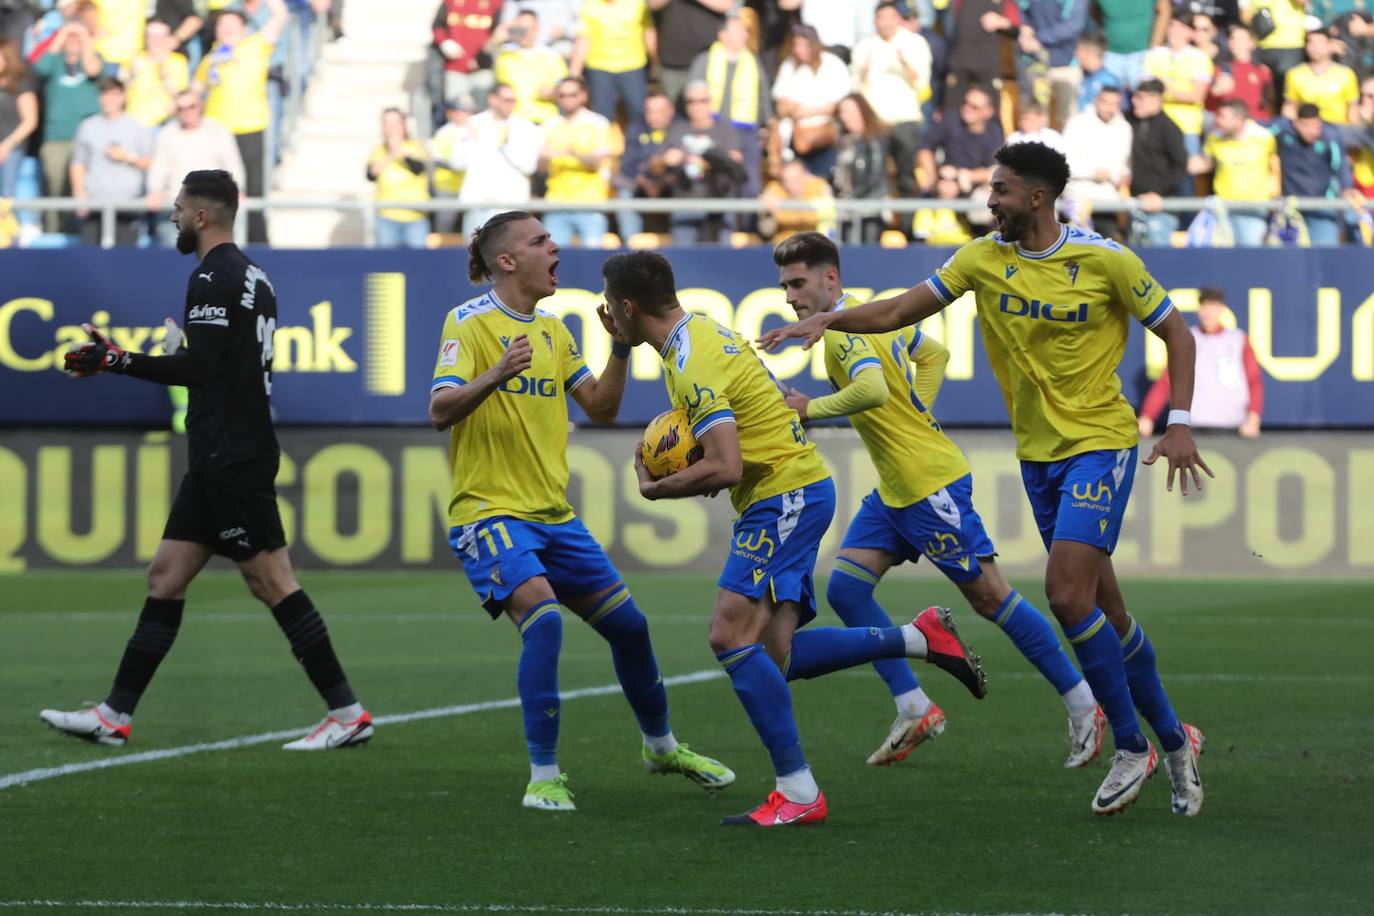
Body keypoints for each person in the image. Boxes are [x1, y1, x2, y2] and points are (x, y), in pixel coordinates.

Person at [760, 141, 1210, 819]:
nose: (989, 200)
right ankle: (1175, 740)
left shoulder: (1106, 261)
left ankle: (1128, 744)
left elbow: (1178, 332)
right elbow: (902, 312)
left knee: (1061, 594)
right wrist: (829, 320)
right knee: (1107, 614)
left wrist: (1178, 420)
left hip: (1101, 442)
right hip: (1038, 454)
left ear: (1036, 196)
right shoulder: (979, 259)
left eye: (1000, 190)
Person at [603, 249, 987, 828]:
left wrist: (660, 489)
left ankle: (798, 790)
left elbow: (726, 465)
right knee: (775, 656)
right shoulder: (700, 332)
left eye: (610, 306)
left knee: (728, 635)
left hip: (783, 495)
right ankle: (917, 637)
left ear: (627, 307)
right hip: (792, 489)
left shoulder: (691, 360)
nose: (608, 314)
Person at [43, 169, 373, 752]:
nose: (171, 216)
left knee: (272, 581)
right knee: (166, 576)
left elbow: (201, 373)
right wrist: (182, 353)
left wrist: (114, 361)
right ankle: (114, 715)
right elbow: (222, 364)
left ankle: (346, 712)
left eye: (177, 207)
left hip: (230, 452)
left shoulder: (210, 277)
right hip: (223, 448)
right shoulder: (255, 276)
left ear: (200, 215)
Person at [429, 211, 733, 811]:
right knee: (543, 621)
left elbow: (600, 407)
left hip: (553, 515)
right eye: (540, 240)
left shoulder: (554, 331)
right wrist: (496, 372)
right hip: (488, 512)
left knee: (630, 627)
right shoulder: (467, 324)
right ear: (508, 260)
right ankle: (543, 775)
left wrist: (620, 347)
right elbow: (441, 409)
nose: (555, 247)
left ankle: (661, 746)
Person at [773, 231, 1103, 770]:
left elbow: (872, 390)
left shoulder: (840, 335)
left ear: (830, 278)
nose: (790, 296)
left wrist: (809, 409)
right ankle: (913, 706)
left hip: (928, 486)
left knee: (991, 598)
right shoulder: (869, 315)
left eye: (798, 282)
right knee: (849, 590)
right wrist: (918, 413)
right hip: (897, 488)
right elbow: (936, 353)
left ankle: (1084, 704)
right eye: (785, 285)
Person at [193, 0, 288, 244]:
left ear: (244, 28)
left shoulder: (254, 45)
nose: (226, 29)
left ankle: (259, 244)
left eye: (232, 24)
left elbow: (279, 17)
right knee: (216, 196)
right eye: (222, 24)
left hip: (249, 127)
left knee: (253, 192)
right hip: (216, 133)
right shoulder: (211, 58)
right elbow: (195, 91)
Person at [1139, 287, 1263, 439]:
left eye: (1212, 306)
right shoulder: (1187, 339)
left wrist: (1253, 417)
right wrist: (1147, 416)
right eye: (1203, 306)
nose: (1207, 312)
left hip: (1232, 428)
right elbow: (1167, 380)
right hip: (1193, 428)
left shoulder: (1238, 340)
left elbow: (1253, 380)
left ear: (1221, 309)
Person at [851, 0, 931, 199]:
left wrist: (905, 64)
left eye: (890, 17)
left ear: (898, 19)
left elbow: (922, 84)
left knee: (907, 175)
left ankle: (908, 226)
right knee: (874, 176)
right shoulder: (864, 46)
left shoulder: (915, 42)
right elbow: (855, 87)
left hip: (905, 118)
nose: (885, 23)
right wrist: (864, 70)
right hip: (874, 121)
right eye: (881, 18)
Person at [146, 90, 243, 246]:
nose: (186, 112)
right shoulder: (166, 134)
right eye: (181, 108)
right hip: (179, 207)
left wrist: (237, 189)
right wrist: (154, 189)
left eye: (191, 107)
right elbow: (158, 167)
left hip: (213, 207)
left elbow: (233, 165)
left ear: (201, 106)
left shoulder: (219, 131)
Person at [33, 20, 103, 231]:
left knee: (85, 188)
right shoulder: (54, 63)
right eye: (68, 38)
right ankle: (53, 231)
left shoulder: (93, 59)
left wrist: (83, 36)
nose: (73, 41)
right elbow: (40, 68)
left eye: (77, 38)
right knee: (56, 186)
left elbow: (93, 70)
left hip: (87, 138)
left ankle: (81, 231)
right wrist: (61, 34)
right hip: (57, 136)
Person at [539, 75, 622, 247]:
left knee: (592, 261)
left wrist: (570, 154)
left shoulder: (598, 123)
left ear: (583, 96)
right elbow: (540, 168)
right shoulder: (550, 125)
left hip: (590, 203)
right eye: (562, 95)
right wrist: (544, 157)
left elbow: (597, 163)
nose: (567, 99)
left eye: (572, 94)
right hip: (556, 202)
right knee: (551, 263)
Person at [658, 80, 744, 244]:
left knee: (721, 259)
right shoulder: (677, 129)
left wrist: (706, 162)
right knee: (682, 260)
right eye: (691, 101)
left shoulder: (725, 130)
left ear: (711, 102)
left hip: (719, 203)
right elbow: (657, 164)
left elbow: (735, 161)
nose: (696, 106)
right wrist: (665, 159)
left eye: (702, 101)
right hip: (685, 202)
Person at [70, 77, 153, 245]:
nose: (108, 100)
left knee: (124, 262)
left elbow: (150, 163)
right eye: (104, 94)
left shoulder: (136, 128)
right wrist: (80, 195)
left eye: (113, 95)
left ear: (122, 97)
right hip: (94, 204)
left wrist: (127, 157)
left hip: (127, 205)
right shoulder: (88, 126)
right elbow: (78, 163)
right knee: (90, 261)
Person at [1190, 98, 1280, 246]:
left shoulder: (1263, 137)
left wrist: (1274, 198)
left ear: (1239, 120)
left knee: (1250, 258)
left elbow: (1275, 168)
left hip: (1254, 210)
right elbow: (1205, 164)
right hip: (1223, 210)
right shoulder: (1214, 137)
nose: (1217, 120)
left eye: (1222, 117)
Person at [1271, 103, 1361, 245]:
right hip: (1291, 209)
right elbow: (1255, 130)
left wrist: (1347, 186)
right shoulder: (1282, 130)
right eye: (1307, 126)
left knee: (1326, 254)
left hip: (1323, 207)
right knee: (1291, 260)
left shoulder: (1330, 135)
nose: (1314, 131)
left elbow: (1341, 163)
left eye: (1317, 126)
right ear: (1297, 123)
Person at [459, 82, 539, 236]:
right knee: (476, 258)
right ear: (493, 100)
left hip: (511, 208)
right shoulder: (473, 123)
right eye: (506, 100)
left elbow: (529, 166)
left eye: (513, 100)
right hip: (478, 206)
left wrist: (506, 145)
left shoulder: (525, 127)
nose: (511, 105)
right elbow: (457, 162)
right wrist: (471, 141)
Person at [771, 24, 848, 174]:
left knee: (822, 177)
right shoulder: (789, 66)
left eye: (804, 45)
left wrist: (806, 111)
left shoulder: (832, 64)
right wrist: (795, 111)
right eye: (797, 44)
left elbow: (839, 104)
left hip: (824, 134)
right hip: (795, 135)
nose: (799, 50)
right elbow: (781, 105)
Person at [1143, 13, 1214, 164]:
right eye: (1172, 25)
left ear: (1191, 32)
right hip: (1156, 123)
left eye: (1181, 26)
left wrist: (1165, 91)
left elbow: (1197, 96)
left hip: (1186, 126)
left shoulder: (1199, 57)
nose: (1174, 30)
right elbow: (1146, 91)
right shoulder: (1155, 54)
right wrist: (1176, 92)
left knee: (1186, 175)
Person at [1128, 79, 1189, 247]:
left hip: (1161, 206)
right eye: (1134, 96)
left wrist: (1158, 194)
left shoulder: (1170, 128)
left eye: (1140, 97)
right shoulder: (1129, 121)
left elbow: (1180, 166)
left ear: (1156, 99)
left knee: (1157, 258)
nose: (1134, 101)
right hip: (1134, 203)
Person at [571, 0, 654, 121]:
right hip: (599, 68)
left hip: (633, 66)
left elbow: (648, 32)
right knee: (601, 116)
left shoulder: (637, 3)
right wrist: (574, 74)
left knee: (638, 111)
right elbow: (583, 39)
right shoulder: (590, 5)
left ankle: (638, 139)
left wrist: (655, 62)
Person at [917, 82, 1003, 198]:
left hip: (976, 186)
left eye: (974, 107)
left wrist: (965, 175)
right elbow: (925, 148)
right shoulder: (951, 119)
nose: (967, 108)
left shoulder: (994, 131)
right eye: (965, 102)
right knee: (945, 188)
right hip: (946, 179)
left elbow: (994, 170)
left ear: (988, 112)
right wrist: (932, 177)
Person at [1016, 0, 1090, 129]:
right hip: (1038, 64)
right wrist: (1024, 30)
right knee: (1037, 118)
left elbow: (1074, 25)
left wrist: (1039, 38)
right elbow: (1022, 10)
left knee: (1068, 119)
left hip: (1067, 65)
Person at [615, 89, 677, 239]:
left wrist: (663, 181)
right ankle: (630, 242)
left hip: (672, 184)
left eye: (660, 111)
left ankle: (681, 238)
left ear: (671, 111)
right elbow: (628, 165)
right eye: (650, 111)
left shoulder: (680, 128)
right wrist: (643, 180)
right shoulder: (636, 128)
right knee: (624, 192)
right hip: (641, 183)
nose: (654, 116)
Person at [367, 107, 430, 249]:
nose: (391, 128)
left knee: (417, 265)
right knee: (387, 266)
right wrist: (390, 153)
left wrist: (401, 152)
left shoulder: (417, 146)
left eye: (395, 123)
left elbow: (418, 168)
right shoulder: (378, 150)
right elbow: (371, 174)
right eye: (387, 123)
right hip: (386, 216)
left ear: (403, 124)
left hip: (415, 217)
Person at [492, 7, 567, 125]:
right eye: (520, 28)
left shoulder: (552, 56)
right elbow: (483, 60)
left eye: (527, 28)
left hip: (543, 120)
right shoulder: (504, 54)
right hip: (511, 120)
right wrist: (497, 38)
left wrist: (553, 93)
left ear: (536, 29)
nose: (523, 33)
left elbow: (565, 89)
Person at [832, 92, 890, 244]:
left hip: (869, 208)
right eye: (841, 112)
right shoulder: (844, 142)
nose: (844, 117)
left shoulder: (875, 140)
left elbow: (875, 176)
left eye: (848, 111)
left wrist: (855, 196)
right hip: (847, 209)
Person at [649, 0, 728, 105]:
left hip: (709, 61)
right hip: (673, 61)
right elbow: (651, 4)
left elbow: (727, 5)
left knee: (710, 112)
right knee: (674, 113)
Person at [431, 0, 500, 109]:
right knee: (456, 110)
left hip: (481, 67)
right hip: (455, 67)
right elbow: (437, 26)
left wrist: (481, 58)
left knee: (482, 111)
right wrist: (444, 42)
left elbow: (499, 31)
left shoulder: (495, 3)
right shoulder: (450, 2)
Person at [1282, 29, 1359, 125]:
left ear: (1331, 46)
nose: (1315, 47)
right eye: (1311, 42)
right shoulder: (1294, 74)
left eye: (1320, 43)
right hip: (1307, 130)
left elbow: (1352, 107)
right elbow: (1291, 106)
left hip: (1338, 129)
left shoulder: (1346, 74)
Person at [121, 20, 188, 127]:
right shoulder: (134, 59)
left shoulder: (178, 62)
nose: (155, 41)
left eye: (159, 37)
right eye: (151, 36)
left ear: (167, 38)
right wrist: (132, 75)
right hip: (134, 123)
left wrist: (165, 76)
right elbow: (120, 96)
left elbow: (181, 98)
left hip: (163, 123)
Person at [1208, 24, 1275, 123]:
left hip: (1256, 124)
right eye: (1233, 39)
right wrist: (1214, 93)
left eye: (1242, 39)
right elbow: (1210, 105)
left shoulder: (1263, 71)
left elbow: (1269, 104)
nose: (1236, 43)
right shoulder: (1220, 70)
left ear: (1252, 43)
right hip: (1230, 126)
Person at [0, 38, 38, 200]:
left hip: (11, 150)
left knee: (6, 196)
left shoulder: (20, 85)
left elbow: (30, 121)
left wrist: (7, 146)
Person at [429, 96, 474, 234]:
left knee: (472, 228)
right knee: (445, 227)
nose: (466, 115)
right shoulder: (443, 133)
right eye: (461, 111)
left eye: (468, 111)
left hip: (470, 186)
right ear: (451, 113)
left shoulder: (475, 130)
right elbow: (437, 159)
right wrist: (455, 166)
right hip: (447, 187)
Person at [759, 159, 834, 241]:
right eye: (786, 180)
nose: (790, 184)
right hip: (784, 245)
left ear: (805, 176)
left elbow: (829, 219)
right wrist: (768, 213)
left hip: (812, 244)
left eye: (795, 179)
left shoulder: (818, 187)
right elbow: (766, 230)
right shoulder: (774, 189)